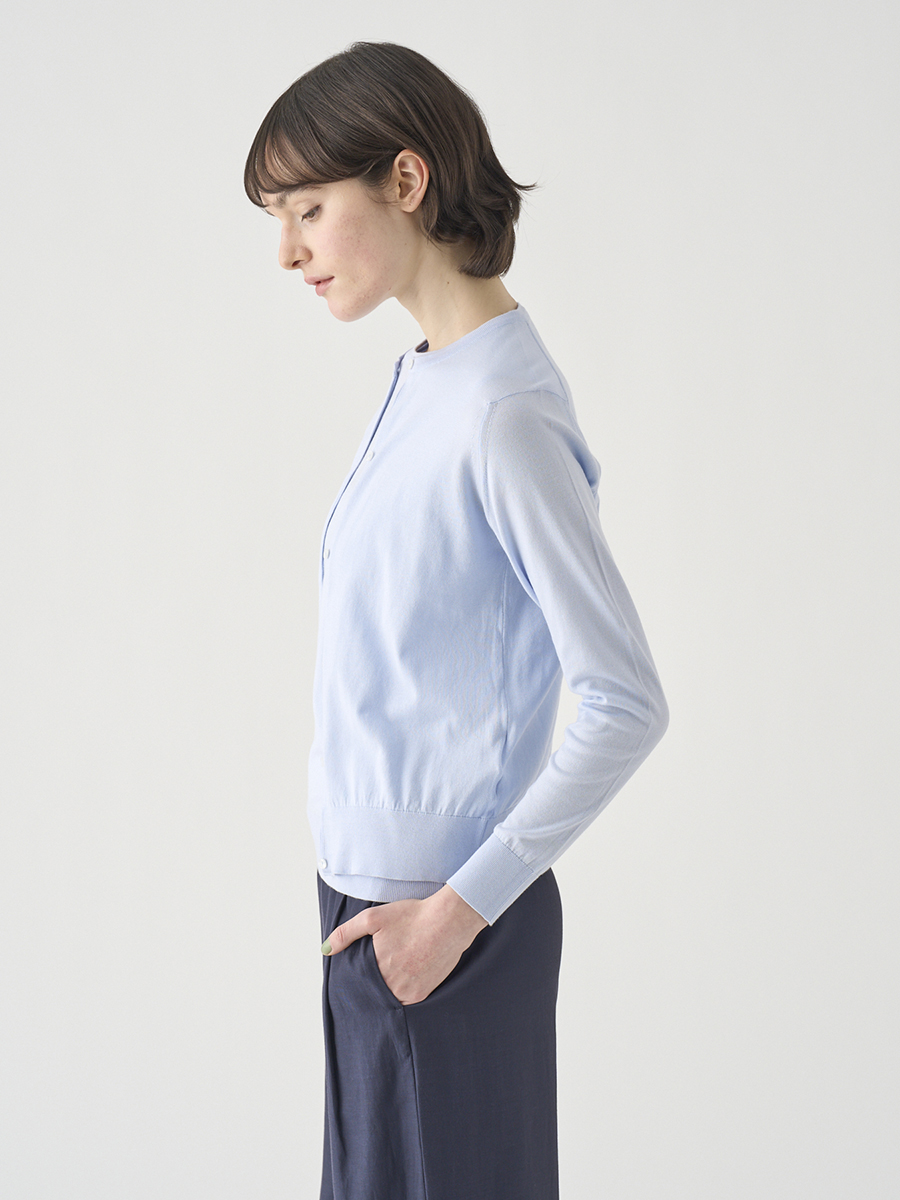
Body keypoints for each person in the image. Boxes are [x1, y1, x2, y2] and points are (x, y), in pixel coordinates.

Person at [245, 41, 668, 1200]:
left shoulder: (503, 416)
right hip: (373, 913)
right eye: (279, 219)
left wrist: (454, 915)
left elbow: (626, 700)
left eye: (308, 210)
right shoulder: (429, 378)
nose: (287, 251)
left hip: (444, 929)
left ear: (406, 179)